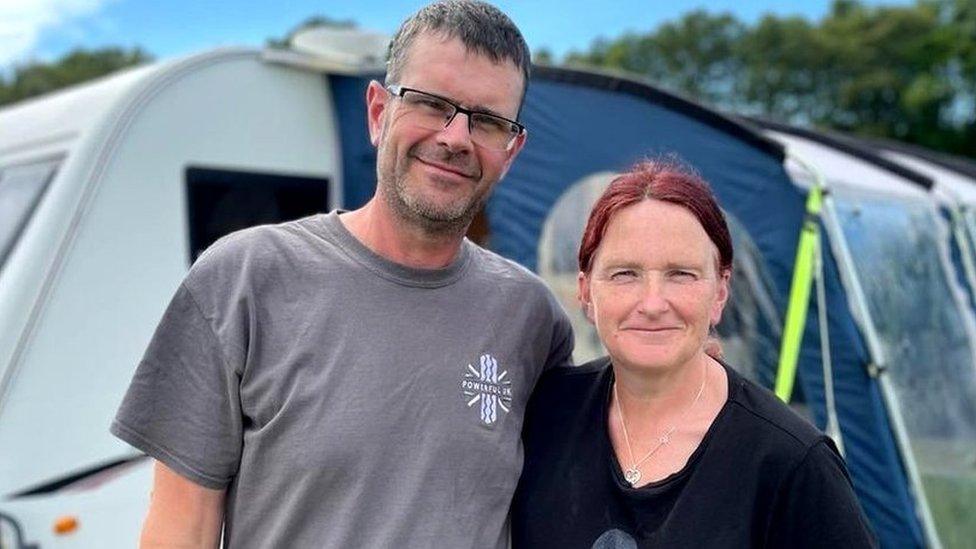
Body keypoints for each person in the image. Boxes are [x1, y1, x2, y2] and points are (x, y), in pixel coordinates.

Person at [110, 2, 573, 547]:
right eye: (430, 104)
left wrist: (694, 365)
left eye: (487, 120)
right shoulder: (244, 281)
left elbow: (618, 440)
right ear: (379, 112)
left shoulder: (532, 317)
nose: (455, 137)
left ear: (511, 150)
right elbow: (179, 529)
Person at [511, 161, 876, 548]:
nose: (652, 303)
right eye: (625, 274)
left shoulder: (790, 462)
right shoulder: (544, 415)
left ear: (720, 292)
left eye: (681, 274)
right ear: (585, 292)